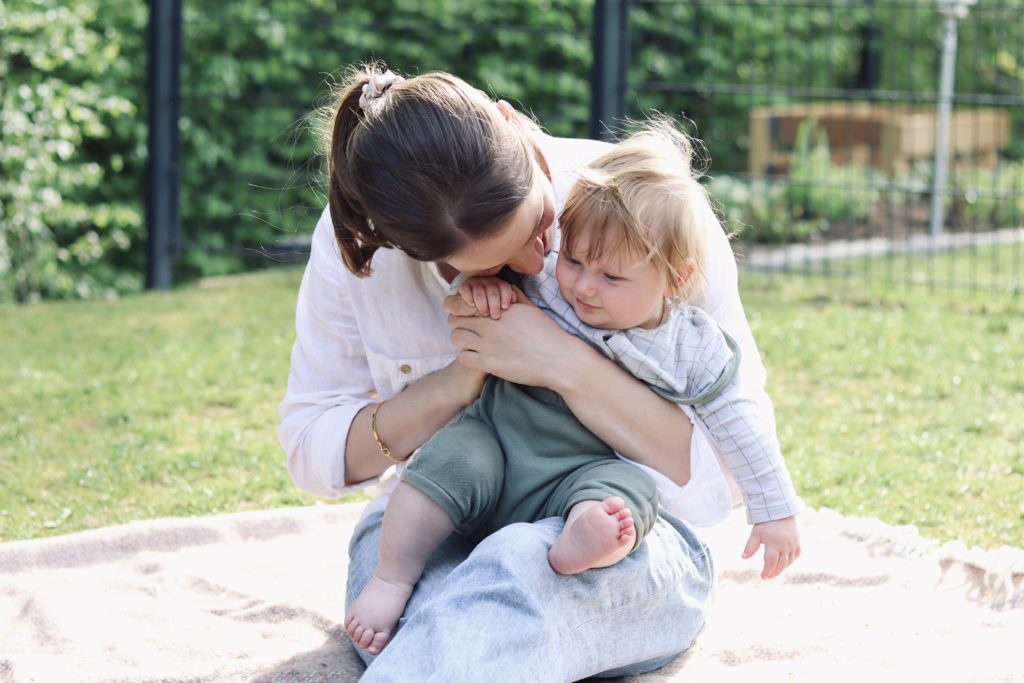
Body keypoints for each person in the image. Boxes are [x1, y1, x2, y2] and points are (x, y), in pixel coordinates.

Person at [278, 62, 793, 681]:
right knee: (452, 604)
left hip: (617, 533)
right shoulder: (360, 250)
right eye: (495, 265)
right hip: (437, 517)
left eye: (541, 227)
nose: (538, 262)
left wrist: (559, 361)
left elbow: (724, 475)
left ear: (511, 121)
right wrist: (455, 385)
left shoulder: (645, 209)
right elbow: (311, 450)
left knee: (520, 565)